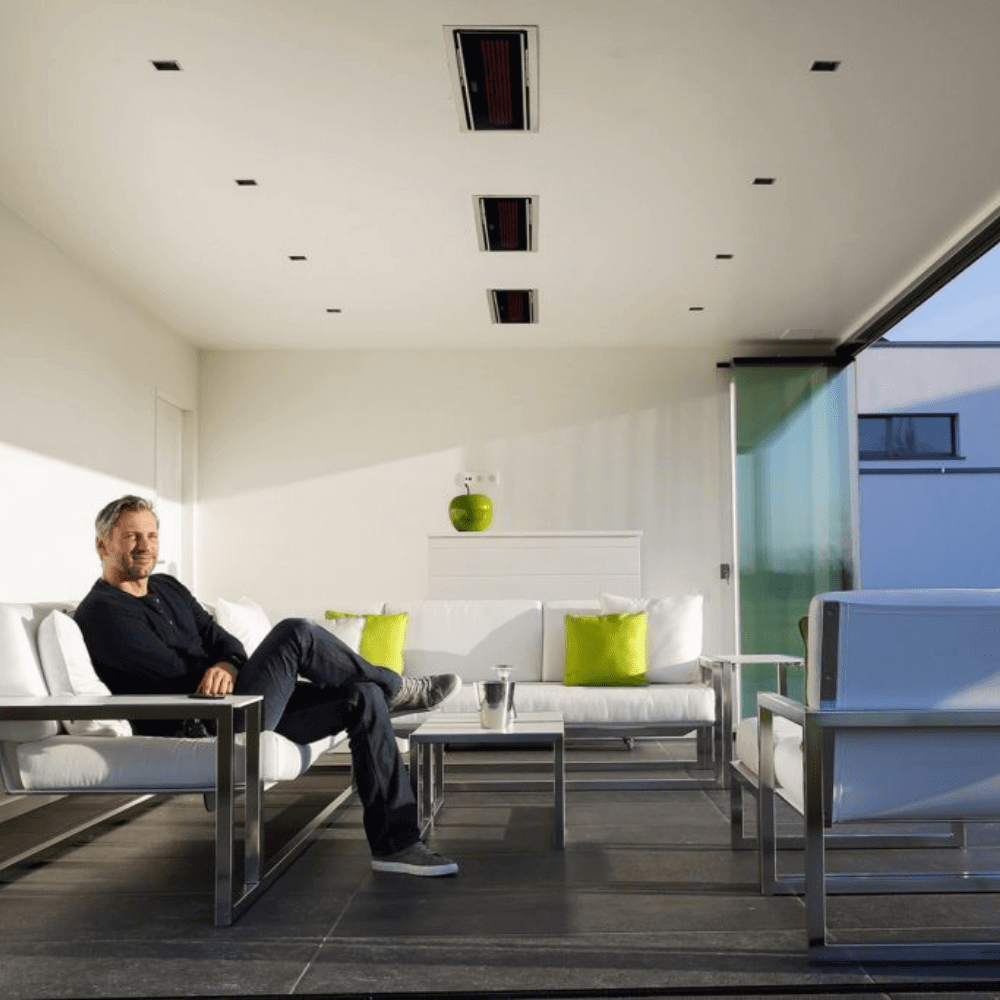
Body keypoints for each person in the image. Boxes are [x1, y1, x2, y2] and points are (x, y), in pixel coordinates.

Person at [74, 495, 461, 877]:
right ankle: (398, 687)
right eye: (132, 537)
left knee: (363, 695)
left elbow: (228, 644)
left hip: (239, 701)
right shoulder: (102, 612)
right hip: (208, 720)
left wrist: (226, 663)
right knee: (297, 633)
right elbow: (170, 676)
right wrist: (223, 667)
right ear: (102, 544)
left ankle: (397, 845)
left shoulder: (169, 588)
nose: (145, 546)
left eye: (152, 536)